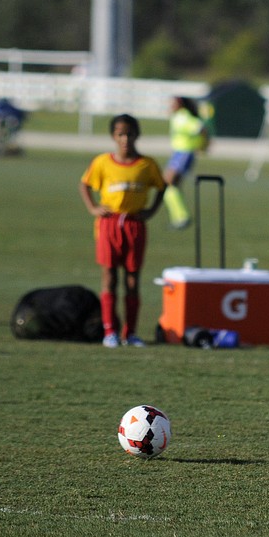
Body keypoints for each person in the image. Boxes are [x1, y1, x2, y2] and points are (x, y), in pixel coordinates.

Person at [79, 114, 166, 348]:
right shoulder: (102, 162)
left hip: (134, 224)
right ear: (113, 137)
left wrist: (151, 211)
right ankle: (110, 331)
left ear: (137, 135)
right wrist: (93, 207)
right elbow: (85, 184)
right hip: (109, 224)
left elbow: (162, 186)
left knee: (132, 278)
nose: (125, 139)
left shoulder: (147, 164)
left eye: (129, 134)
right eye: (120, 134)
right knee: (109, 275)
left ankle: (131, 332)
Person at [163, 96, 208, 230]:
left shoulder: (184, 117)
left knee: (168, 182)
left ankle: (182, 217)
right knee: (170, 186)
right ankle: (179, 218)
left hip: (184, 153)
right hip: (178, 153)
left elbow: (201, 129)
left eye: (173, 104)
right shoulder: (177, 116)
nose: (171, 106)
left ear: (180, 105)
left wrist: (202, 145)